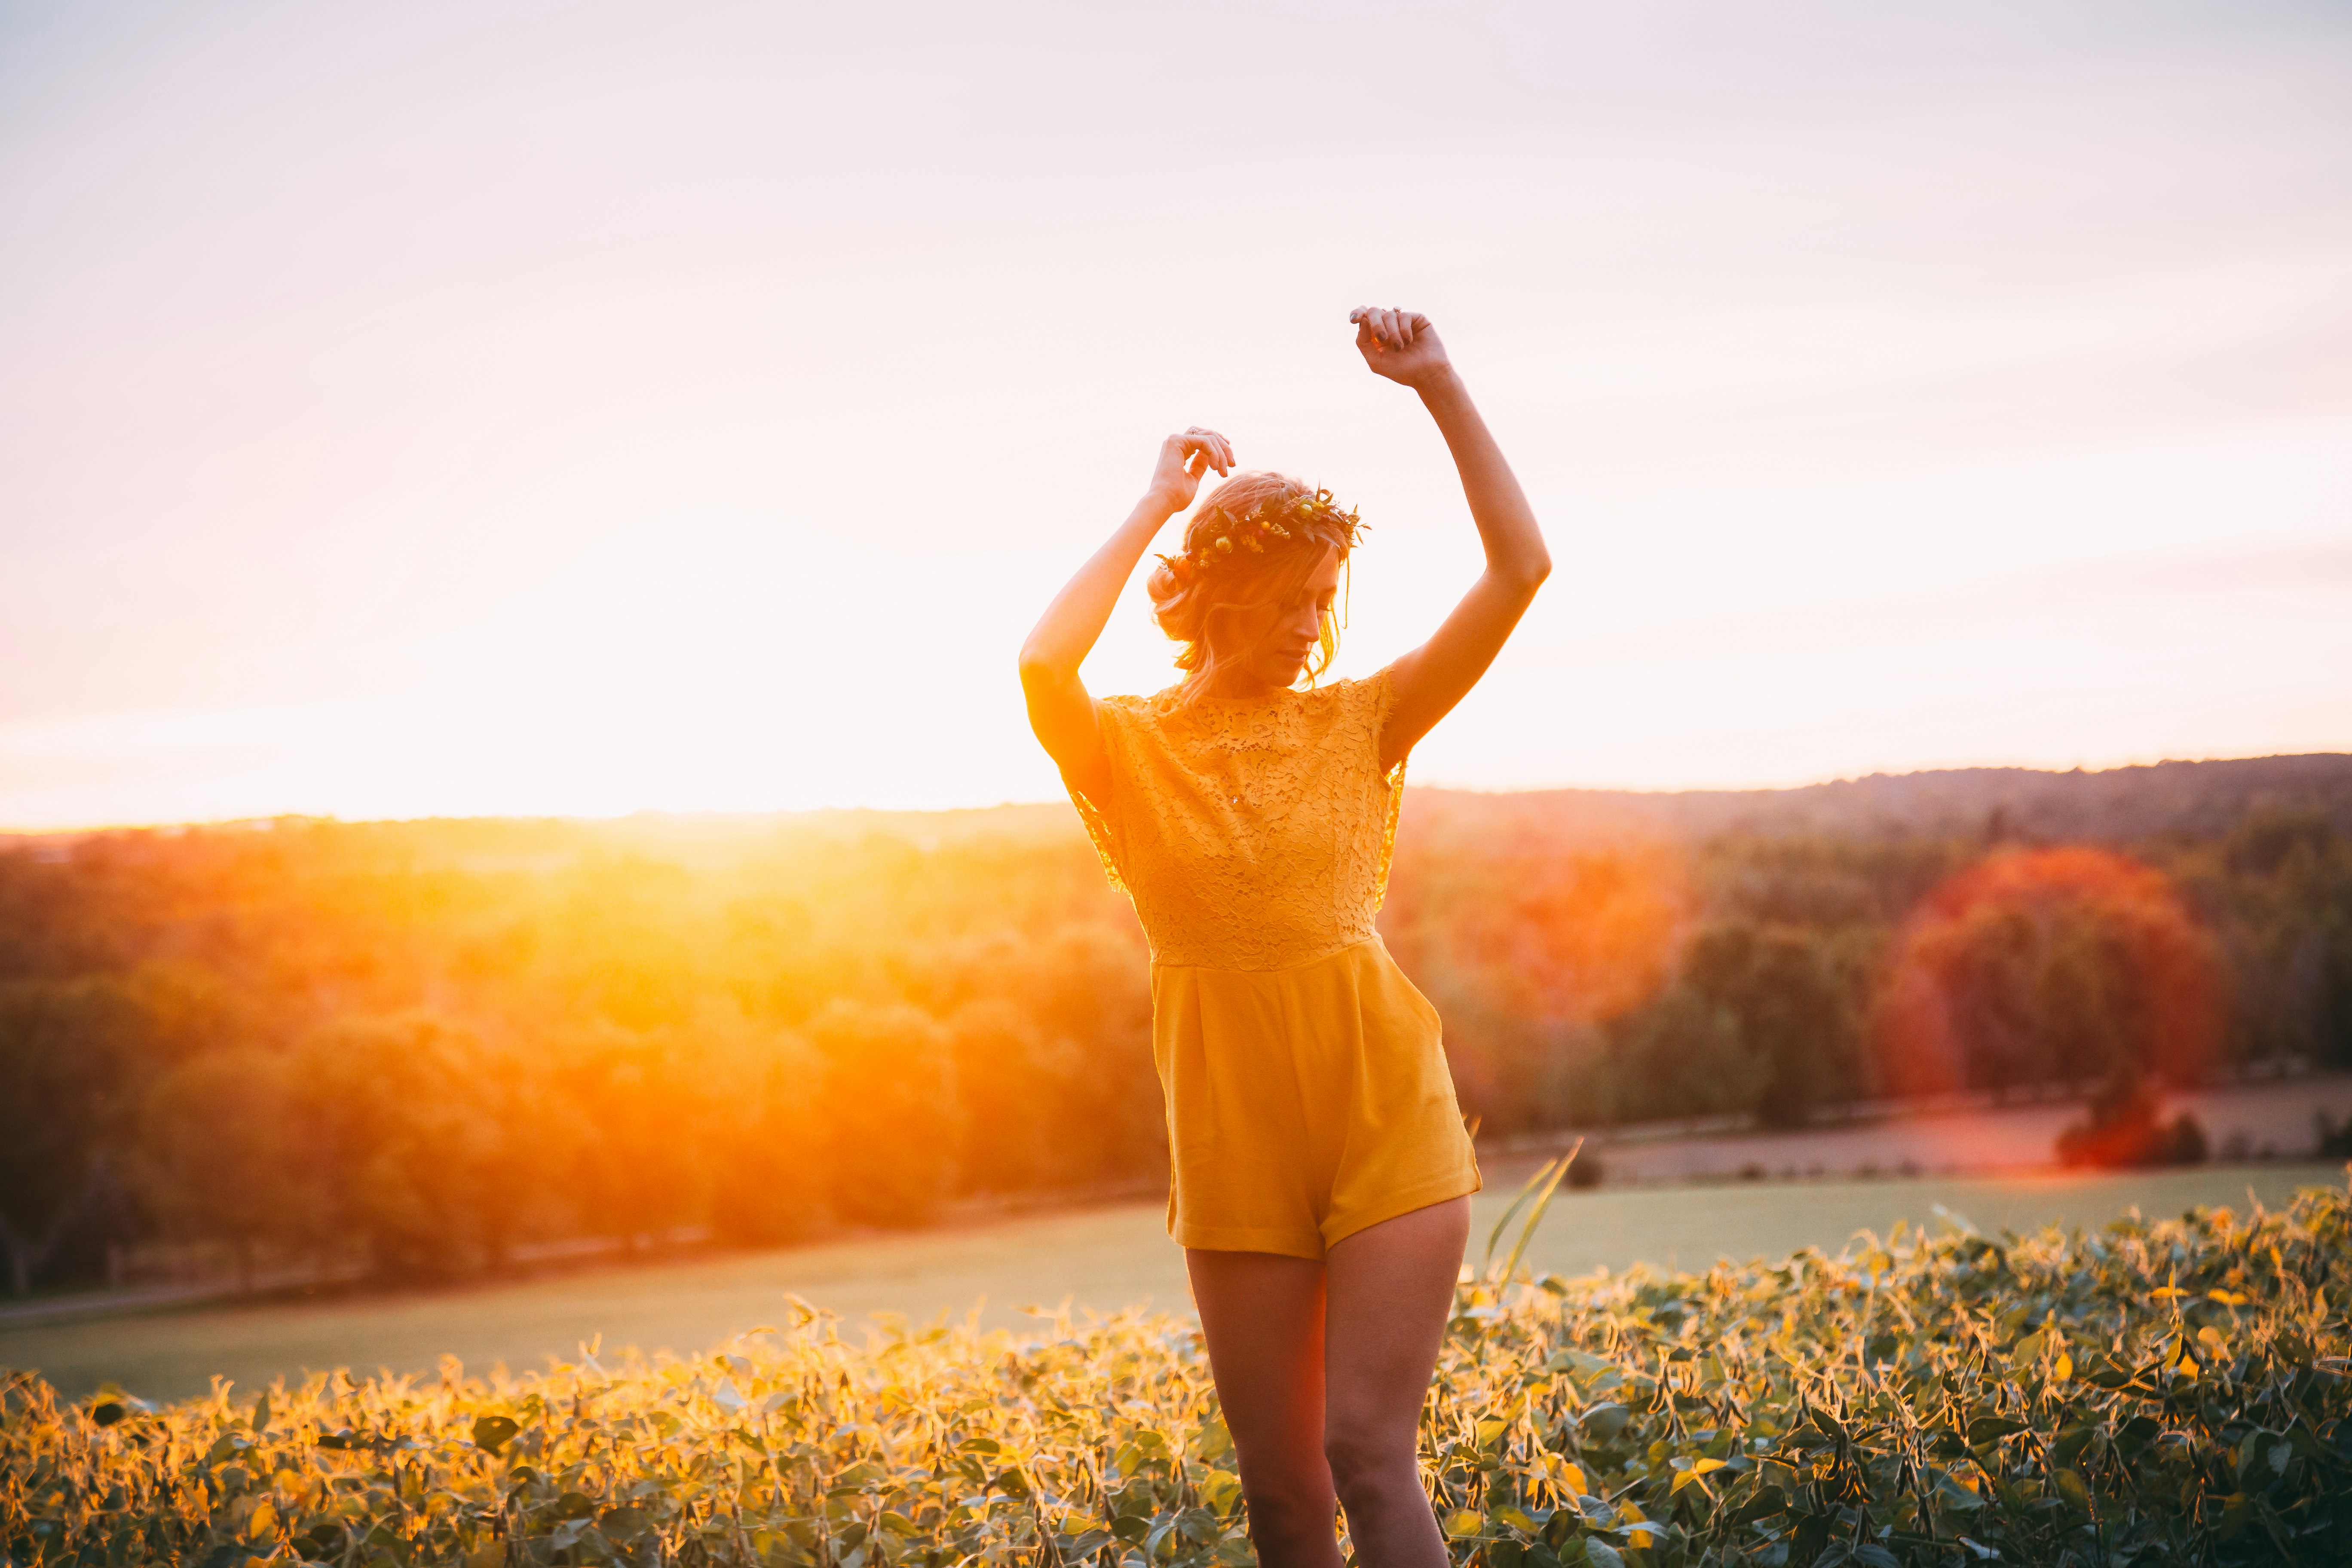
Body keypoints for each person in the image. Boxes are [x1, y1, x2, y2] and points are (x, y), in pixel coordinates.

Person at [1017, 307, 1550, 1568]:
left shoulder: (1364, 720)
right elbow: (1043, 666)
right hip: (1235, 1138)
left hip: (1383, 1109)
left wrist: (1438, 385)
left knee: (1366, 1449)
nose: (1313, 626)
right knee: (1283, 1492)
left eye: (1323, 600)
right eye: (1286, 602)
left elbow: (1519, 571)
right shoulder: (1129, 751)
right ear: (1215, 597)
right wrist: (1157, 503)